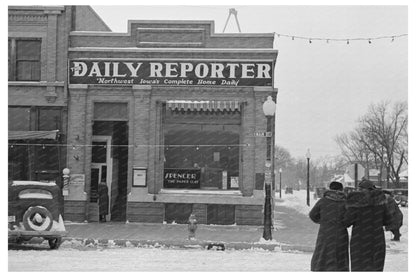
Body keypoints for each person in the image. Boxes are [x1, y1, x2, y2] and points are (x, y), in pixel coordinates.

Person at [342, 180, 393, 271]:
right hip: (377, 240)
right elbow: (388, 220)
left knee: (359, 267)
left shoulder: (355, 203)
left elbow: (346, 222)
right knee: (376, 267)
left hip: (359, 241)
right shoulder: (381, 202)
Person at [309, 181, 349, 271]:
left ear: (330, 189)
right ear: (341, 190)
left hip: (325, 232)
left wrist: (322, 221)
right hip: (341, 234)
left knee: (323, 254)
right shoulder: (345, 202)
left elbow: (312, 215)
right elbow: (348, 219)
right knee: (340, 256)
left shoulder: (323, 201)